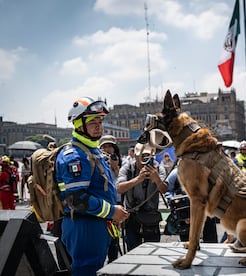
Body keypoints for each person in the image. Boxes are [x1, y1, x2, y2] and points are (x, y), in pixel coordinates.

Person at [55, 97, 129, 275]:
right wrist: (112, 211)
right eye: (92, 122)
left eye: (100, 121)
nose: (98, 126)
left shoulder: (93, 151)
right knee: (86, 271)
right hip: (84, 227)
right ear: (79, 124)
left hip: (97, 224)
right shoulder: (75, 155)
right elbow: (76, 199)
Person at [117, 142, 167, 251]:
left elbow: (164, 190)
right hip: (132, 217)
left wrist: (156, 178)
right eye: (142, 156)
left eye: (148, 156)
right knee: (133, 252)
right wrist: (138, 179)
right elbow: (119, 188)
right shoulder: (128, 168)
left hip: (151, 217)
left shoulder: (158, 168)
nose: (145, 159)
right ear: (135, 156)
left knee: (153, 252)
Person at [164, 167, 218, 243]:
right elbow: (168, 190)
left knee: (210, 240)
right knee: (186, 241)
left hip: (206, 211)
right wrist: (173, 200)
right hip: (185, 213)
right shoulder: (175, 173)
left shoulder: (207, 171)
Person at [99, 134, 123, 263]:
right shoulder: (96, 161)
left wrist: (115, 166)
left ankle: (113, 262)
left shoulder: (121, 161)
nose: (108, 150)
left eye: (110, 147)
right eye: (105, 147)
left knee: (114, 238)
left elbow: (120, 183)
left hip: (116, 205)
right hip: (101, 205)